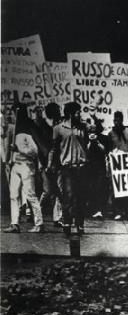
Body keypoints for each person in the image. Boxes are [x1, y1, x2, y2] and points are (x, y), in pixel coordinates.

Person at [47, 101, 89, 236]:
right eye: (77, 112)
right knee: (68, 196)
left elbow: (96, 129)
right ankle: (67, 223)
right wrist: (49, 165)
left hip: (81, 167)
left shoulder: (83, 127)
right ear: (71, 114)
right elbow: (53, 149)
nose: (80, 114)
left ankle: (80, 224)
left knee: (81, 197)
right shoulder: (58, 128)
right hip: (67, 168)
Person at [3, 106, 44, 233]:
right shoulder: (13, 132)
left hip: (26, 166)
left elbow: (34, 152)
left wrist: (19, 149)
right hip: (15, 166)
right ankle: (14, 223)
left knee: (30, 194)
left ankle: (39, 223)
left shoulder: (27, 134)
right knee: (13, 195)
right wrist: (10, 158)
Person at [107, 111, 128, 219]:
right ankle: (117, 211)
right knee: (116, 188)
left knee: (127, 187)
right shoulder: (110, 134)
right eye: (115, 120)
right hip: (116, 165)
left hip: (127, 165)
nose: (116, 123)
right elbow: (109, 149)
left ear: (122, 120)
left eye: (118, 120)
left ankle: (127, 211)